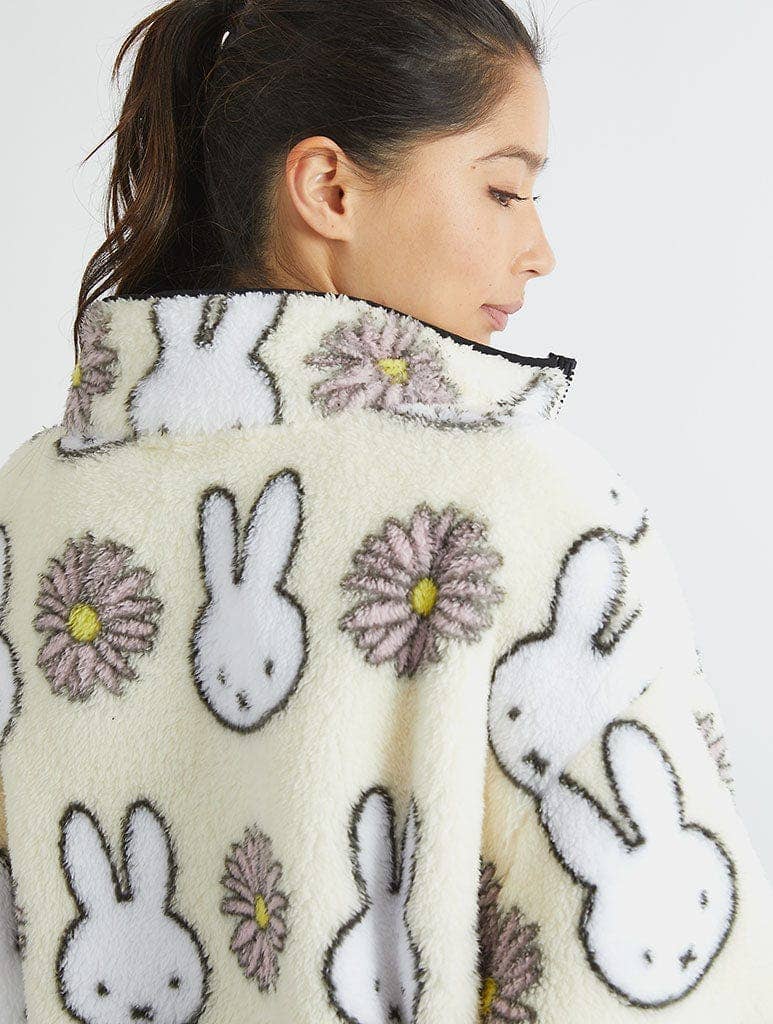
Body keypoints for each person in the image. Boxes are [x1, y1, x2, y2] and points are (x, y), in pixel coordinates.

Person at [0, 1, 771, 1021]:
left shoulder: (28, 508)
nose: (538, 248)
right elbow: (651, 975)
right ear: (329, 188)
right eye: (503, 190)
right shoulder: (522, 507)